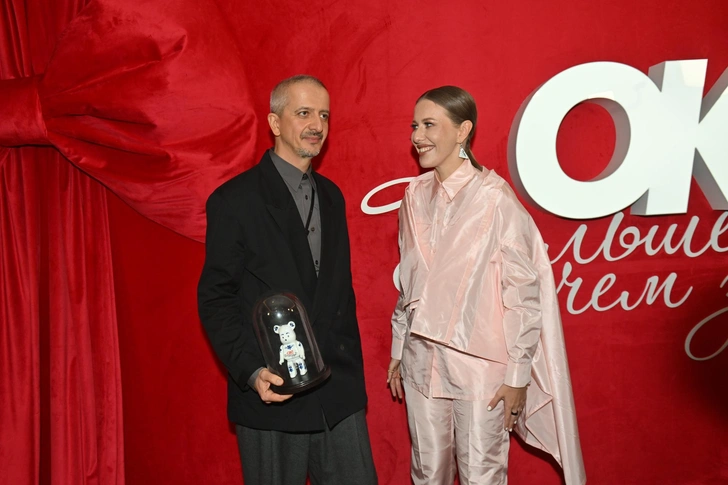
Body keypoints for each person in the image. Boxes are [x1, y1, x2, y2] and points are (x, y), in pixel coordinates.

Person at [387, 86, 586, 485]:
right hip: (421, 359)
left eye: (429, 125)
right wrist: (398, 349)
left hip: (480, 367)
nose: (418, 136)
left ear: (462, 131)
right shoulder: (413, 195)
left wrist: (518, 376)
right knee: (427, 473)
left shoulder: (496, 199)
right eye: (415, 125)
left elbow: (523, 295)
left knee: (482, 474)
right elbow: (410, 278)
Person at [198, 75, 377, 485]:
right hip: (273, 391)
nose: (317, 124)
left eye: (324, 115)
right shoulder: (234, 200)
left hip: (339, 392)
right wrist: (251, 371)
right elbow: (215, 297)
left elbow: (339, 293)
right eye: (304, 113)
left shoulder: (332, 196)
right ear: (275, 123)